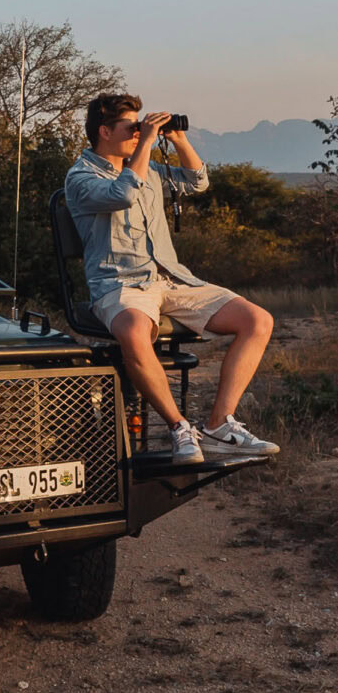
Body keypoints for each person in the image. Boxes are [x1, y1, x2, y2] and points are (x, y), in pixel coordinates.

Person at [64, 94, 278, 466]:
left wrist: (177, 139)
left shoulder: (148, 168)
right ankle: (180, 429)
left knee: (258, 320)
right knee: (133, 332)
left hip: (170, 279)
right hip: (120, 283)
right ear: (104, 131)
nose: (137, 133)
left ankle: (218, 427)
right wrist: (146, 142)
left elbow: (198, 183)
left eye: (139, 127)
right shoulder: (81, 177)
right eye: (130, 127)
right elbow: (124, 193)